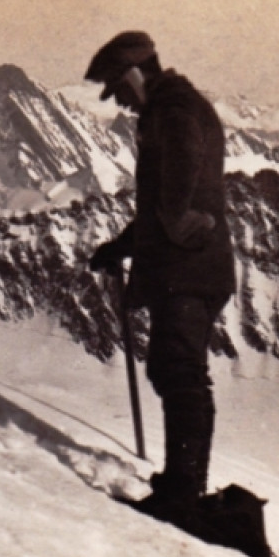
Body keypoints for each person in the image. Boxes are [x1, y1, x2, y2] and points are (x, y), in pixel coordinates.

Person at [84, 31, 236, 524]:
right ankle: (180, 484)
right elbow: (164, 200)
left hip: (189, 266)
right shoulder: (173, 108)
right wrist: (123, 246)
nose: (120, 103)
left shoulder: (172, 112)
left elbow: (183, 171)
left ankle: (184, 493)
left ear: (134, 75)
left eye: (118, 89)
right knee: (175, 369)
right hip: (190, 264)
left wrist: (173, 223)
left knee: (180, 371)